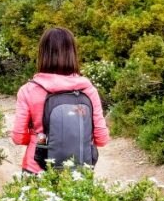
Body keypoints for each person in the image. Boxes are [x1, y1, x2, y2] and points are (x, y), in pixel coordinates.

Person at [12, 27, 109, 174]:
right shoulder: (88, 90)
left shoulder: (29, 90)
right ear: (72, 53)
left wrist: (41, 139)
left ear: (42, 54)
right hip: (79, 171)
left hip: (37, 168)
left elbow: (18, 137)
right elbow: (102, 139)